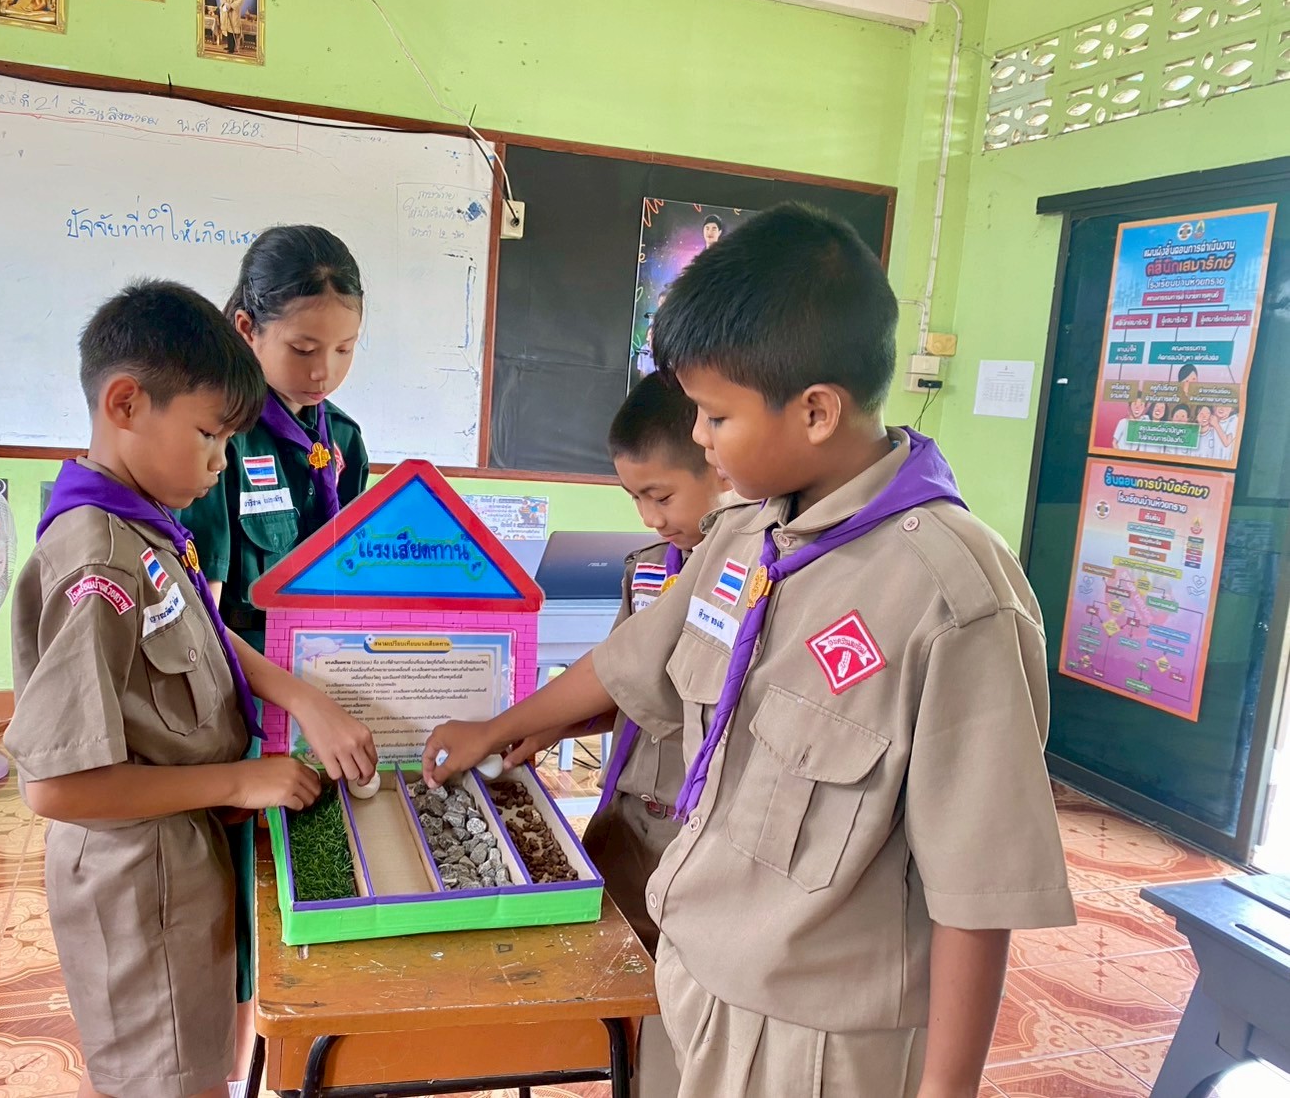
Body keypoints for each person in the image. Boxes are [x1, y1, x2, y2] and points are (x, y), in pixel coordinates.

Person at [424, 203, 1074, 1098]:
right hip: (693, 972)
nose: (697, 437)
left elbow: (977, 892)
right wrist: (499, 727)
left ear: (815, 411)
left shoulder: (952, 598)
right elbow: (631, 662)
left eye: (714, 415)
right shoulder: (745, 536)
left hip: (817, 1039)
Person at [8, 280, 377, 1098]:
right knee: (167, 1078)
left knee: (200, 1060)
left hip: (184, 855)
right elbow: (56, 787)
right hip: (140, 882)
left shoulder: (143, 527)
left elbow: (205, 632)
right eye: (209, 437)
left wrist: (302, 698)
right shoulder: (100, 564)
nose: (218, 465)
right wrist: (238, 780)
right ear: (125, 403)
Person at [178, 224, 372, 1080]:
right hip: (241, 712)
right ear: (246, 328)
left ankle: (294, 1058)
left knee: (315, 888)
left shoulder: (343, 440)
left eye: (344, 349)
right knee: (236, 909)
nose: (323, 370)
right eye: (302, 348)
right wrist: (297, 701)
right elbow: (198, 616)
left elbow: (352, 582)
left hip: (320, 704)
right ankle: (234, 1065)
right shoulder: (214, 441)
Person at [510, 374, 729, 1096]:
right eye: (635, 499)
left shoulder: (750, 583)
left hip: (692, 834)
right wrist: (550, 726)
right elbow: (621, 689)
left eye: (661, 496)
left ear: (718, 465)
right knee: (619, 994)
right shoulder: (647, 571)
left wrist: (515, 723)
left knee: (683, 1017)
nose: (649, 517)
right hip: (626, 820)